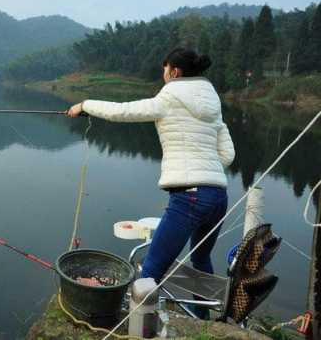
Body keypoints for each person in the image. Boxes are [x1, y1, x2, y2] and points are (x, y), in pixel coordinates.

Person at [67, 47, 235, 297]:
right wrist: (204, 168)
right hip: (218, 197)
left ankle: (138, 326)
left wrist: (85, 105)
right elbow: (227, 156)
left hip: (189, 198)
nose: (163, 73)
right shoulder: (213, 104)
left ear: (175, 71)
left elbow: (122, 111)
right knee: (201, 259)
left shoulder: (168, 99)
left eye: (164, 68)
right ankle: (205, 321)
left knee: (152, 269)